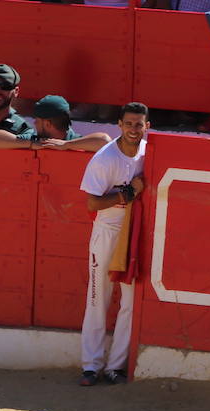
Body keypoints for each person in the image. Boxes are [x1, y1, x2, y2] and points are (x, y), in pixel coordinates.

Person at [78, 102, 150, 387]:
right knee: (99, 298)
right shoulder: (104, 158)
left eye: (139, 124)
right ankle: (91, 365)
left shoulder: (148, 153)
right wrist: (130, 192)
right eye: (129, 124)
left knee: (130, 301)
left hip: (135, 231)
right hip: (108, 229)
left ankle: (115, 366)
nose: (134, 129)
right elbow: (93, 203)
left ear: (147, 126)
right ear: (119, 125)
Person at [0, 95, 111, 151]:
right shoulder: (34, 139)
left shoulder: (74, 141)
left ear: (47, 124)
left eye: (38, 120)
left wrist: (67, 145)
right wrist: (29, 144)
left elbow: (105, 141)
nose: (34, 123)